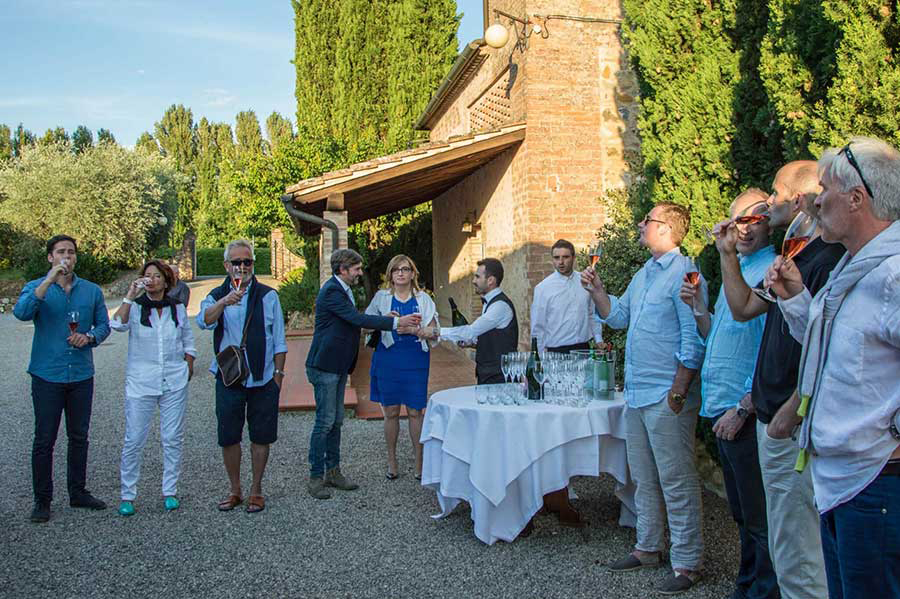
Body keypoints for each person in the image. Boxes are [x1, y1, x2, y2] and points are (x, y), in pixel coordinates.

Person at [765, 137, 900, 599]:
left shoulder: (894, 274)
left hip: (876, 484)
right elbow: (831, 353)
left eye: (824, 190)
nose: (815, 201)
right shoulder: (852, 269)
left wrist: (892, 435)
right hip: (841, 482)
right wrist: (797, 301)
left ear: (857, 199)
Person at [715, 161, 844, 599]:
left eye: (774, 192)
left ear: (800, 197)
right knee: (785, 545)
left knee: (800, 554)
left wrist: (793, 404)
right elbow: (744, 308)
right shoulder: (798, 253)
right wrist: (727, 255)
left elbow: (826, 346)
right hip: (774, 418)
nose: (769, 202)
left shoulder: (829, 260)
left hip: (789, 422)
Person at [582, 203, 706, 594]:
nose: (640, 224)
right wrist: (599, 292)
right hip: (637, 394)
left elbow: (694, 336)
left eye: (647, 220)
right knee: (644, 478)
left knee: (677, 480)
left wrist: (680, 389)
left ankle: (687, 563)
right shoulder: (644, 273)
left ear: (667, 229)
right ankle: (648, 546)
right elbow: (618, 316)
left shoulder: (686, 274)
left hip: (667, 395)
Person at [679, 190, 779, 599]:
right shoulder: (738, 270)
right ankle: (748, 584)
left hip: (747, 408)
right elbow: (721, 334)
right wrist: (701, 310)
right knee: (741, 513)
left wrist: (743, 407)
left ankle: (764, 591)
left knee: (760, 516)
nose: (743, 228)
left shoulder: (772, 268)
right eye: (737, 220)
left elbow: (775, 352)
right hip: (723, 405)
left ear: (769, 221)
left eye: (753, 220)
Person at [306, 248, 422, 500]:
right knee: (324, 422)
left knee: (335, 420)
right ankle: (316, 477)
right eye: (356, 268)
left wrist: (383, 319)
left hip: (337, 365)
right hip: (325, 365)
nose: (360, 272)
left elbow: (358, 319)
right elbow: (356, 319)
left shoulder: (342, 289)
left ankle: (333, 472)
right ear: (343, 269)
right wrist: (395, 322)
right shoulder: (332, 291)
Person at [14, 234, 111, 523]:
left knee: (79, 436)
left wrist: (90, 337)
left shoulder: (91, 291)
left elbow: (104, 325)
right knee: (44, 439)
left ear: (76, 257)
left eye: (70, 252)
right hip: (47, 374)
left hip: (81, 374)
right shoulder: (35, 288)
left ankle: (78, 492)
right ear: (50, 257)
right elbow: (21, 313)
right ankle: (42, 500)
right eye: (60, 252)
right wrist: (48, 281)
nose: (65, 257)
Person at [197, 240, 287, 514]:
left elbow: (280, 341)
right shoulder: (216, 295)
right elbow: (204, 321)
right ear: (227, 266)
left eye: (247, 262)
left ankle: (256, 490)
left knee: (261, 436)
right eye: (236, 262)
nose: (242, 267)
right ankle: (235, 489)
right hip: (229, 377)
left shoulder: (268, 296)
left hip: (263, 378)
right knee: (229, 435)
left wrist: (278, 378)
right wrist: (225, 301)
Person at [110, 260, 196, 516]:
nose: (152, 280)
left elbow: (188, 341)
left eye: (157, 276)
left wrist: (188, 365)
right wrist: (129, 295)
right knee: (134, 438)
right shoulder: (135, 309)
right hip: (141, 382)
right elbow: (117, 325)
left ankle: (169, 491)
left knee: (172, 438)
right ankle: (128, 494)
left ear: (166, 280)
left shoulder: (177, 308)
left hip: (173, 381)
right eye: (147, 276)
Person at [364, 255, 438, 480]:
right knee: (391, 412)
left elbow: (434, 331)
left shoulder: (423, 299)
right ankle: (392, 462)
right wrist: (385, 320)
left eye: (405, 269)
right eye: (396, 269)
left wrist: (414, 330)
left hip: (415, 359)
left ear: (413, 273)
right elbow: (365, 326)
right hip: (388, 359)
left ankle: (419, 463)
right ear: (390, 274)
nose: (400, 273)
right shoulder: (381, 298)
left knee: (415, 412)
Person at [420, 258, 518, 384]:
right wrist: (472, 343)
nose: (473, 281)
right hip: (488, 372)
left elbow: (470, 331)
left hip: (500, 376)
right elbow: (493, 337)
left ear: (490, 281)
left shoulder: (500, 306)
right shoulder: (490, 303)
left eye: (477, 277)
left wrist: (436, 331)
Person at [530, 239, 603, 353]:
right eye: (556, 257)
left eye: (565, 257)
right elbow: (538, 326)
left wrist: (598, 340)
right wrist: (539, 358)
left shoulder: (585, 281)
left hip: (583, 349)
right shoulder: (542, 288)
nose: (561, 262)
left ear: (574, 258)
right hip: (556, 352)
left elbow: (591, 314)